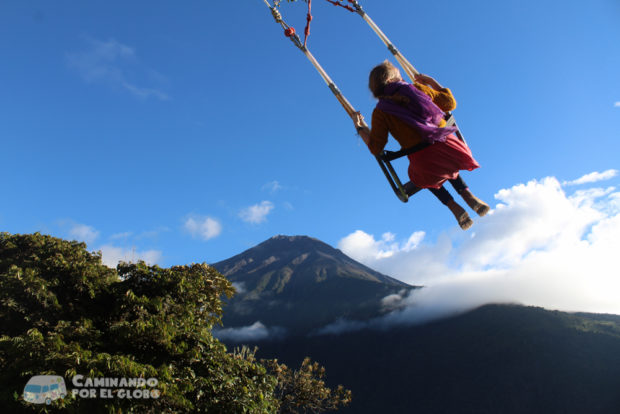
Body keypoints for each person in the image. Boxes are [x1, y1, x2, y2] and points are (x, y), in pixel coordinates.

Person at [353, 60, 490, 230]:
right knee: (441, 154)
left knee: (420, 174)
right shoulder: (416, 89)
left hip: (426, 166)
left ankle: (453, 206)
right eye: (399, 74)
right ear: (390, 79)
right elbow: (449, 104)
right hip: (454, 151)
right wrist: (430, 82)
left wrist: (360, 128)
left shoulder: (380, 112)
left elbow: (376, 147)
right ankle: (467, 194)